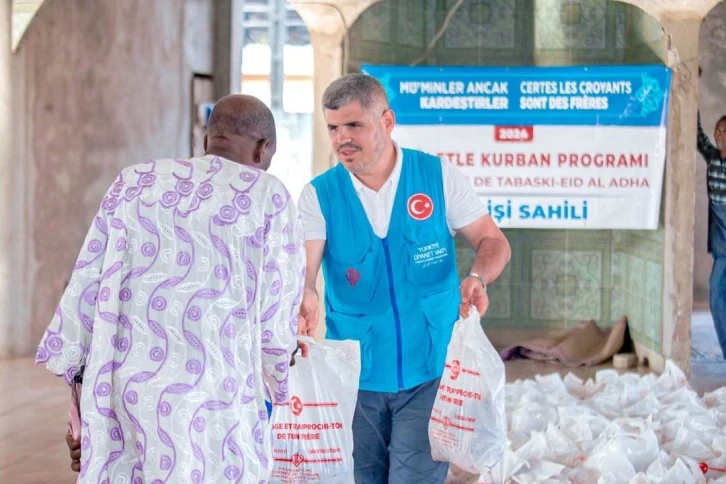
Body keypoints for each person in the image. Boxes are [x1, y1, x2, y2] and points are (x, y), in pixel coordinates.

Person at [37, 95, 307, 482]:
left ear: (206, 141)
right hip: (217, 399)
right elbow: (276, 317)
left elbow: (85, 287)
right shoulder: (268, 196)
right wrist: (279, 375)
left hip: (124, 393)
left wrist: (78, 406)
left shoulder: (134, 181)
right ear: (263, 149)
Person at [296, 73, 511, 483]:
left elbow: (492, 240)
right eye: (333, 128)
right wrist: (305, 292)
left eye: (354, 125)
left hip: (429, 371)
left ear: (387, 121)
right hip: (356, 377)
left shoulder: (437, 177)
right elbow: (305, 269)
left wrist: (478, 277)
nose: (342, 138)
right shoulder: (318, 195)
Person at [697, 66, 726, 359]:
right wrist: (692, 83)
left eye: (725, 131)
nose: (719, 135)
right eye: (718, 130)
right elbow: (696, 134)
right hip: (722, 250)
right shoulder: (713, 159)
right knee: (717, 298)